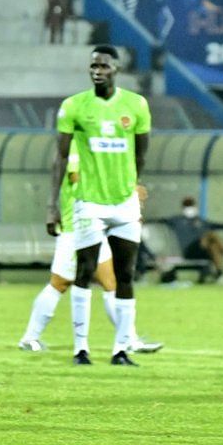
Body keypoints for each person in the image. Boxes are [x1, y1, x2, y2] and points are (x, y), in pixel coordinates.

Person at [45, 45, 151, 367]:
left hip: (124, 204)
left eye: (104, 65)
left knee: (125, 274)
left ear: (116, 68)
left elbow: (141, 153)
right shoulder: (74, 106)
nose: (97, 70)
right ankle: (81, 349)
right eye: (94, 65)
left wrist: (130, 184)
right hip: (88, 202)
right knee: (84, 272)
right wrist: (53, 205)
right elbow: (60, 158)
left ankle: (121, 350)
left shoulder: (136, 105)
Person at [20, 148, 162, 356]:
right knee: (59, 283)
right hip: (76, 227)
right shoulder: (78, 144)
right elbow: (77, 178)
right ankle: (29, 338)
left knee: (110, 283)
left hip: (92, 224)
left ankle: (129, 339)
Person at [163, 196, 223, 284]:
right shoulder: (177, 220)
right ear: (183, 208)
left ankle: (220, 275)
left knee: (213, 247)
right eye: (187, 206)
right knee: (210, 234)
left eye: (191, 205)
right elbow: (160, 220)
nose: (190, 208)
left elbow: (215, 225)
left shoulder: (201, 221)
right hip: (189, 251)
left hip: (203, 251)